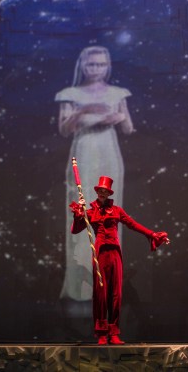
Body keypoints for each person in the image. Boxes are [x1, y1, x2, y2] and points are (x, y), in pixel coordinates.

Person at [56, 46, 134, 304]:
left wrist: (116, 116)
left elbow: (128, 127)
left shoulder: (118, 93)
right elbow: (64, 130)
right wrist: (83, 111)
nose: (96, 69)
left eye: (101, 64)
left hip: (108, 151)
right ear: (83, 65)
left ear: (108, 66)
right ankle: (81, 285)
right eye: (91, 64)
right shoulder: (70, 94)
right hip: (85, 150)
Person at [69, 176, 169, 345]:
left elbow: (133, 224)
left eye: (105, 191)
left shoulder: (116, 210)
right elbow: (75, 230)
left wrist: (152, 234)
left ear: (109, 193)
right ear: (97, 192)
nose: (102, 193)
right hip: (100, 254)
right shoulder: (90, 211)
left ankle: (113, 332)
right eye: (100, 190)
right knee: (101, 294)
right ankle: (102, 333)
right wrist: (79, 213)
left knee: (116, 294)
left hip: (115, 253)